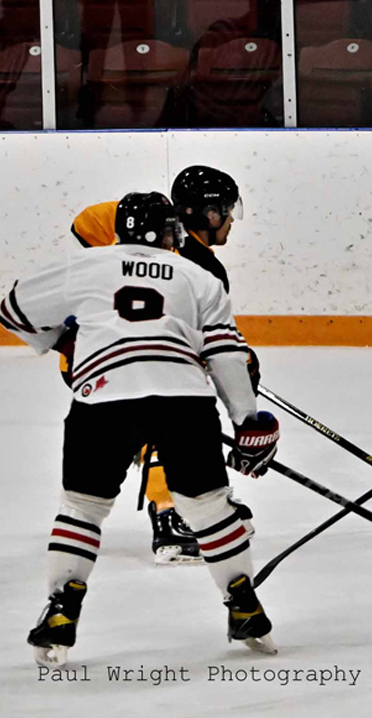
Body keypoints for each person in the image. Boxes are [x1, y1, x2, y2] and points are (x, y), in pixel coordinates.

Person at [5, 192, 280, 666]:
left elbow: (11, 311)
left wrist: (61, 339)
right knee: (210, 506)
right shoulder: (197, 275)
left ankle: (61, 609)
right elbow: (225, 355)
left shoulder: (87, 264)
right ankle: (243, 603)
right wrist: (247, 420)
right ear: (169, 232)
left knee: (82, 508)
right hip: (184, 399)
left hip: (104, 398)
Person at [67, 165, 257, 563]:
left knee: (169, 411)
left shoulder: (168, 239)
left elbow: (85, 223)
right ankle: (170, 514)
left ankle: (193, 503)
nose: (230, 222)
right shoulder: (206, 270)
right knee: (164, 411)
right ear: (208, 215)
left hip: (94, 352)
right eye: (227, 211)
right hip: (107, 361)